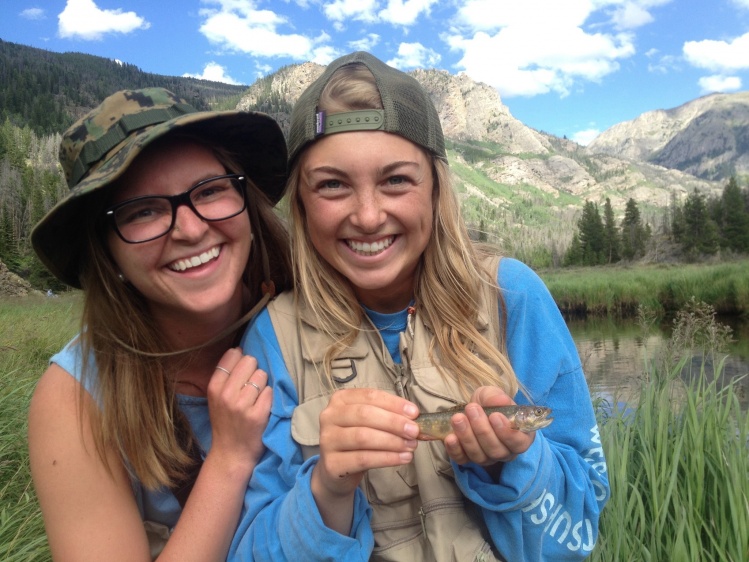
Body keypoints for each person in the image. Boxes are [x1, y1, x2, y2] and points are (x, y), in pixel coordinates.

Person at [232, 52, 610, 561]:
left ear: (435, 189)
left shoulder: (512, 296)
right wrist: (327, 491)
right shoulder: (272, 338)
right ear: (299, 202)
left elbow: (580, 531)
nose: (367, 216)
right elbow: (247, 550)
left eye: (396, 180)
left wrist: (513, 465)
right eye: (332, 185)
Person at [27, 87, 292, 561]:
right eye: (144, 211)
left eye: (209, 191)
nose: (190, 230)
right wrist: (230, 459)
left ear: (245, 199)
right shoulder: (76, 400)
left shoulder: (313, 320)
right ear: (105, 248)